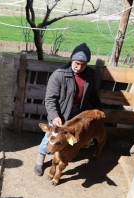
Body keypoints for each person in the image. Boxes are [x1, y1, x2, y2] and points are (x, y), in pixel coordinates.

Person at [34, 43, 102, 176]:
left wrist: (98, 109)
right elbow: (50, 99)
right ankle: (40, 161)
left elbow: (93, 94)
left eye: (83, 64)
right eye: (77, 63)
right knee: (50, 138)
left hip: (76, 115)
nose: (79, 67)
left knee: (70, 139)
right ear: (71, 60)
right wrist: (54, 116)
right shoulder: (59, 75)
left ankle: (64, 157)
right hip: (59, 114)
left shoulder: (90, 74)